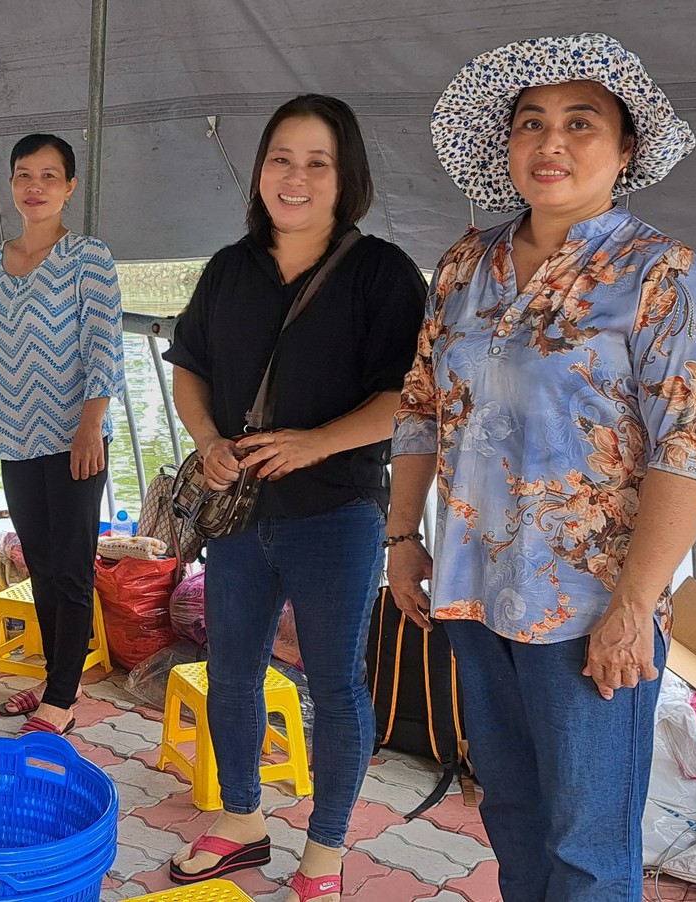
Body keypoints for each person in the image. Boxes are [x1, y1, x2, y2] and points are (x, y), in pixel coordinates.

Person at [388, 34, 696, 901]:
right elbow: (421, 406)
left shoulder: (661, 277)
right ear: (507, 149)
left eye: (583, 123)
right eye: (532, 123)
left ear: (625, 150)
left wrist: (634, 608)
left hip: (588, 612)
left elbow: (687, 452)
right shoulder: (466, 264)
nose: (553, 143)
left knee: (588, 841)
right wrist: (401, 536)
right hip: (472, 589)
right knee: (511, 810)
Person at [163, 95, 427, 901]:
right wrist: (209, 441)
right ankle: (242, 820)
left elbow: (408, 398)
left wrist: (315, 443)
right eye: (282, 158)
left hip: (338, 514)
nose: (297, 177)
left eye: (318, 162)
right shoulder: (228, 268)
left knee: (338, 682)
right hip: (241, 517)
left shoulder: (381, 272)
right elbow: (190, 370)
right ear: (259, 170)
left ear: (346, 178)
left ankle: (326, 849)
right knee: (231, 669)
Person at [0, 133, 125, 737]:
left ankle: (64, 700)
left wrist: (91, 427)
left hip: (75, 435)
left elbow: (104, 345)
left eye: (50, 176)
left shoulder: (89, 258)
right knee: (42, 566)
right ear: (13, 185)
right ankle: (54, 680)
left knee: (72, 568)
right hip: (15, 435)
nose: (36, 186)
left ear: (69, 187)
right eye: (25, 175)